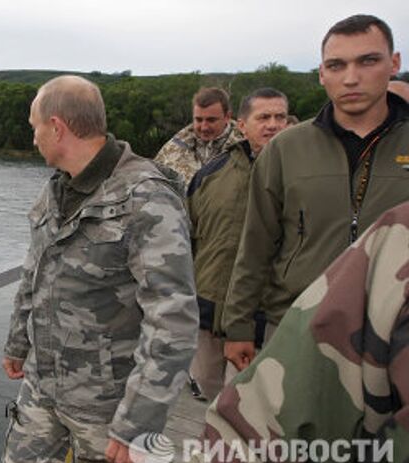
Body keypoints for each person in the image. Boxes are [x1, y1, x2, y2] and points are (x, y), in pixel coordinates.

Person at [0, 75, 198, 463]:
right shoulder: (57, 189)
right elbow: (33, 272)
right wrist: (18, 342)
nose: (33, 138)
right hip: (43, 384)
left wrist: (141, 419)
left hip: (108, 400)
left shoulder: (146, 198)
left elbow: (173, 319)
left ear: (57, 127)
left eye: (34, 126)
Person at [181, 200, 409, 463]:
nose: (259, 148)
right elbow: (252, 246)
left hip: (309, 324)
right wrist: (237, 324)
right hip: (288, 327)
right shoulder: (265, 162)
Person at [221, 14, 409, 373]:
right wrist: (239, 325)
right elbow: (256, 244)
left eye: (367, 61)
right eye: (337, 65)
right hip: (297, 323)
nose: (350, 78)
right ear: (322, 74)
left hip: (398, 334)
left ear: (394, 63)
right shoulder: (285, 149)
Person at [186, 88, 288, 401]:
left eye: (279, 117)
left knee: (246, 399)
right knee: (205, 384)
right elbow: (187, 237)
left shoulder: (301, 176)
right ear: (241, 125)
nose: (272, 124)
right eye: (263, 117)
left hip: (265, 313)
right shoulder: (210, 175)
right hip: (209, 307)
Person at [154, 87, 244, 186]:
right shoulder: (172, 150)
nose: (204, 127)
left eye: (211, 120)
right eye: (199, 120)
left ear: (227, 117)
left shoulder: (248, 148)